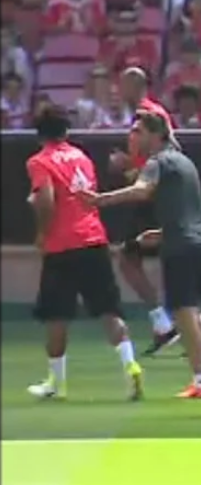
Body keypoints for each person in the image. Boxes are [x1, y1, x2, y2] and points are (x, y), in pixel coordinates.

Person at [82, 112, 201, 398]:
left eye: (138, 131)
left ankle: (200, 380)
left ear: (155, 134)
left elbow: (142, 190)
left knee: (183, 312)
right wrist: (161, 233)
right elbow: (188, 208)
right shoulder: (185, 162)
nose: (132, 136)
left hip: (181, 245)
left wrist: (101, 200)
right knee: (194, 307)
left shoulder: (157, 162)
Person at [24, 105, 144, 402]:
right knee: (109, 310)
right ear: (66, 130)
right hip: (94, 240)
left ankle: (57, 382)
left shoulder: (39, 161)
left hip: (62, 245)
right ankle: (130, 366)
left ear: (39, 134)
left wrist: (41, 232)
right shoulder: (82, 157)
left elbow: (47, 201)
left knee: (56, 315)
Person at [111, 66, 179, 355]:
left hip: (152, 200)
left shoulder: (147, 114)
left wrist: (125, 166)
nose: (118, 90)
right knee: (139, 259)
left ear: (134, 85)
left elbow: (165, 154)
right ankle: (169, 324)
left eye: (122, 84)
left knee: (129, 260)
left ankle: (168, 324)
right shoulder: (153, 112)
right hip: (152, 198)